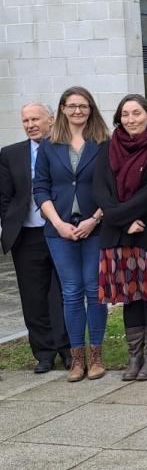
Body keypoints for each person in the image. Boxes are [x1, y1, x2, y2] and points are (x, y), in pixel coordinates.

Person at [94, 94, 147, 382]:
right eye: (125, 114)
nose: (131, 119)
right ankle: (134, 358)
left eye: (136, 113)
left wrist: (123, 215)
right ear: (119, 118)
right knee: (129, 297)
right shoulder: (107, 148)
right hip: (119, 235)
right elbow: (100, 191)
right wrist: (122, 220)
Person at [33, 87, 110, 382]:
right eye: (72, 106)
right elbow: (40, 187)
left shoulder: (103, 142)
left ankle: (97, 356)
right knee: (71, 292)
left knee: (95, 290)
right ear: (62, 109)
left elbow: (111, 187)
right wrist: (59, 223)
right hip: (59, 230)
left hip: (95, 227)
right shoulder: (49, 145)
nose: (78, 111)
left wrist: (94, 218)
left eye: (84, 106)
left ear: (91, 109)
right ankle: (77, 359)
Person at [0, 103, 71, 373]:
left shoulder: (64, 148)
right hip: (26, 235)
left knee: (63, 293)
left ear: (50, 120)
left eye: (35, 119)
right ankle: (43, 352)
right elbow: (4, 197)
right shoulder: (11, 154)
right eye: (25, 120)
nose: (30, 124)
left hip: (60, 231)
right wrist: (10, 224)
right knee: (33, 296)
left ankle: (66, 349)